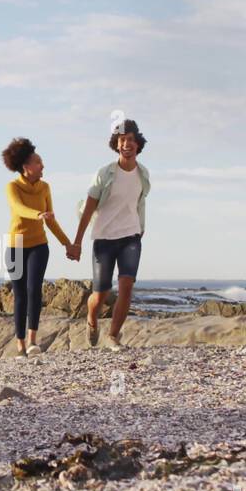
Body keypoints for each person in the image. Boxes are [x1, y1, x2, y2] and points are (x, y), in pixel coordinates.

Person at [69, 119, 151, 351]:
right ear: (116, 144)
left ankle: (113, 336)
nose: (127, 144)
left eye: (131, 140)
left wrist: (140, 229)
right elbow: (88, 209)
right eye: (122, 140)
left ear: (138, 144)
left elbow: (139, 203)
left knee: (126, 284)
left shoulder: (143, 174)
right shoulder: (104, 173)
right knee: (101, 293)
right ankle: (92, 320)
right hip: (104, 238)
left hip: (131, 236)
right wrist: (77, 242)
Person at [1, 137, 77, 357]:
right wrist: (38, 214)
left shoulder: (45, 187)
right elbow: (19, 208)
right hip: (15, 246)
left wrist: (67, 244)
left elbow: (51, 220)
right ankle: (20, 343)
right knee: (20, 294)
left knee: (34, 290)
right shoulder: (12, 187)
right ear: (26, 167)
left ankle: (33, 341)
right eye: (38, 163)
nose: (42, 166)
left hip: (39, 245)